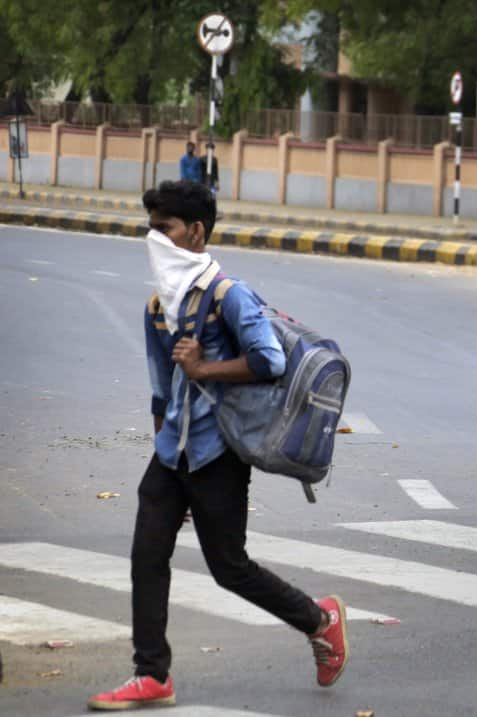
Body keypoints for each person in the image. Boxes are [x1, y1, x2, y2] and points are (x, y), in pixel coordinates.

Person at [87, 181, 348, 711]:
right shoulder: (159, 306)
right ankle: (151, 673)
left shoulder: (230, 295)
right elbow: (162, 387)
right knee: (146, 556)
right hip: (172, 453)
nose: (154, 238)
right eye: (150, 228)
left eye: (165, 228)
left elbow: (269, 359)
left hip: (219, 454)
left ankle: (320, 620)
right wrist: (165, 447)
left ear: (197, 233)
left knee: (229, 566)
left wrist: (204, 367)